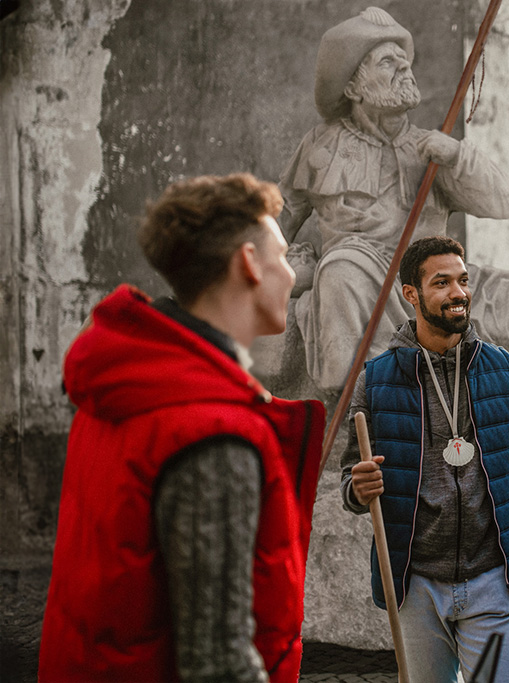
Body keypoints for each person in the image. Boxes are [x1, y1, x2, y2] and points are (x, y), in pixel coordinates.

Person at [278, 6, 509, 466]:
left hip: (431, 275)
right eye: (387, 62)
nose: (404, 68)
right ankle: (377, 412)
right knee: (341, 269)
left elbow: (502, 203)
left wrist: (457, 156)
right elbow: (278, 218)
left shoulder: (431, 148)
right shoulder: (319, 145)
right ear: (354, 85)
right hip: (361, 273)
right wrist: (286, 266)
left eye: (404, 59)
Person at [38, 174, 326, 682]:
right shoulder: (210, 430)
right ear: (248, 264)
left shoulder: (121, 391)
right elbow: (218, 665)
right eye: (281, 256)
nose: (292, 273)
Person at [339, 235, 509, 682]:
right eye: (442, 283)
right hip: (416, 586)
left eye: (463, 280)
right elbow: (351, 479)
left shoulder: (505, 370)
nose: (459, 293)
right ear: (411, 295)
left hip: (495, 581)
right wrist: (357, 490)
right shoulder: (377, 381)